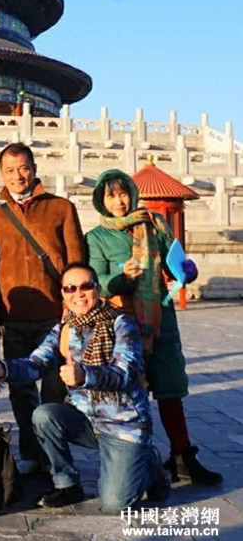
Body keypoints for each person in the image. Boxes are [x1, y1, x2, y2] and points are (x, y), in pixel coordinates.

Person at [0, 263, 170, 513]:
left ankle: (150, 465)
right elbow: (36, 363)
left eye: (86, 286)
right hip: (86, 419)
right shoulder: (65, 328)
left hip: (122, 424)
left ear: (97, 289)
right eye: (70, 288)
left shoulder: (121, 323)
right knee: (44, 415)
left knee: (116, 504)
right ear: (63, 294)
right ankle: (67, 484)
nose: (79, 293)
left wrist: (84, 375)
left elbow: (125, 373)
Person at [86, 169, 222, 486]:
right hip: (122, 324)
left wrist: (186, 270)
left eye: (123, 194)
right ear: (101, 200)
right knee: (130, 391)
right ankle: (136, 459)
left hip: (160, 317)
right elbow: (97, 280)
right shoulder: (96, 237)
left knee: (171, 386)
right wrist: (122, 278)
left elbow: (175, 260)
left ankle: (182, 455)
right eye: (110, 196)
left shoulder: (155, 225)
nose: (118, 202)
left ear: (132, 194)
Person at [0, 142, 84, 475]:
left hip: (54, 316)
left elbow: (76, 261)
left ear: (34, 169)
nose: (17, 176)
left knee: (54, 389)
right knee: (21, 389)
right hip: (14, 317)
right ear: (1, 174)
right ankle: (31, 451)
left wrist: (74, 309)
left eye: (23, 168)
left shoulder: (61, 208)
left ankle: (54, 455)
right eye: (10, 170)